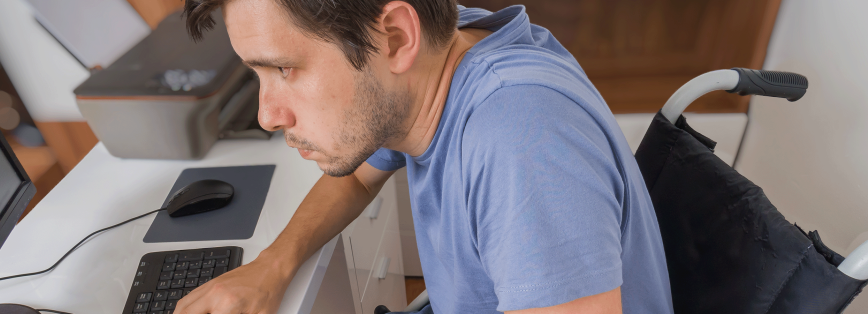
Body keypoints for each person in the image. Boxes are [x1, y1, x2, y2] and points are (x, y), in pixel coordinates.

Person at [174, 1, 673, 313]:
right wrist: (271, 266)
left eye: (284, 68)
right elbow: (355, 178)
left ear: (397, 37)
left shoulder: (521, 140)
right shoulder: (443, 53)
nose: (267, 115)